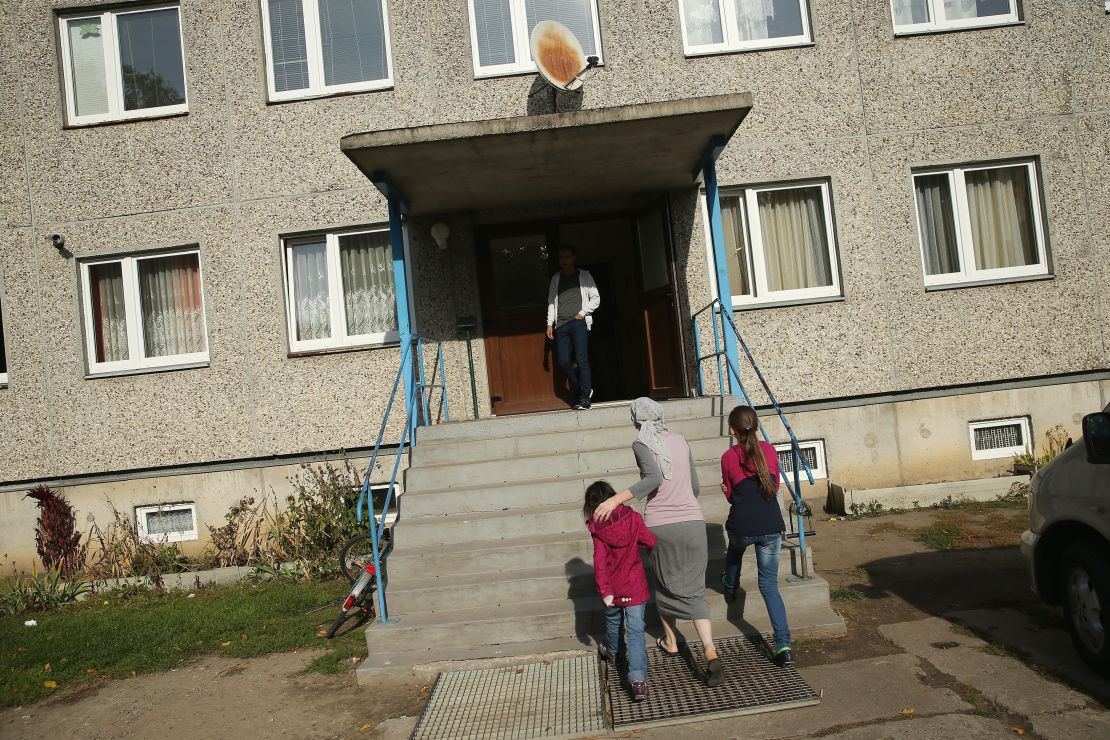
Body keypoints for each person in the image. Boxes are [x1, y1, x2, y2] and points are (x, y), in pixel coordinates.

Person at [592, 397, 725, 688]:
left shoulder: (641, 443)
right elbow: (695, 487)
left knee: (664, 585)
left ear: (637, 420)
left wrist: (615, 499)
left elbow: (652, 479)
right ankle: (709, 649)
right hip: (693, 523)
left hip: (662, 525)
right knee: (694, 589)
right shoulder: (681, 440)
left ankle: (670, 640)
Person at [719, 405, 794, 667]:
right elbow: (773, 489)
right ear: (757, 427)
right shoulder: (770, 451)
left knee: (734, 552)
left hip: (742, 526)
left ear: (732, 430)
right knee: (769, 586)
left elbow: (731, 497)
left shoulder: (728, 457)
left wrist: (726, 490)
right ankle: (783, 644)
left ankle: (730, 586)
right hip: (771, 526)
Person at [584, 480, 656, 702]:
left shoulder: (599, 530)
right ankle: (638, 680)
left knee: (614, 623)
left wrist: (604, 590)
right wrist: (642, 544)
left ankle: (612, 650)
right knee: (635, 631)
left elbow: (600, 562)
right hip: (634, 585)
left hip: (613, 589)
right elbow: (649, 540)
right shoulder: (633, 518)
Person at [545, 245, 600, 410]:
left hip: (578, 323)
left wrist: (581, 313)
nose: (564, 260)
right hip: (561, 326)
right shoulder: (556, 278)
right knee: (563, 361)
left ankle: (584, 398)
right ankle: (583, 388)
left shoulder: (584, 276)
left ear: (574, 258)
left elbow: (596, 299)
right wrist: (549, 323)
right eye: (561, 257)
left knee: (582, 360)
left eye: (567, 257)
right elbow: (551, 302)